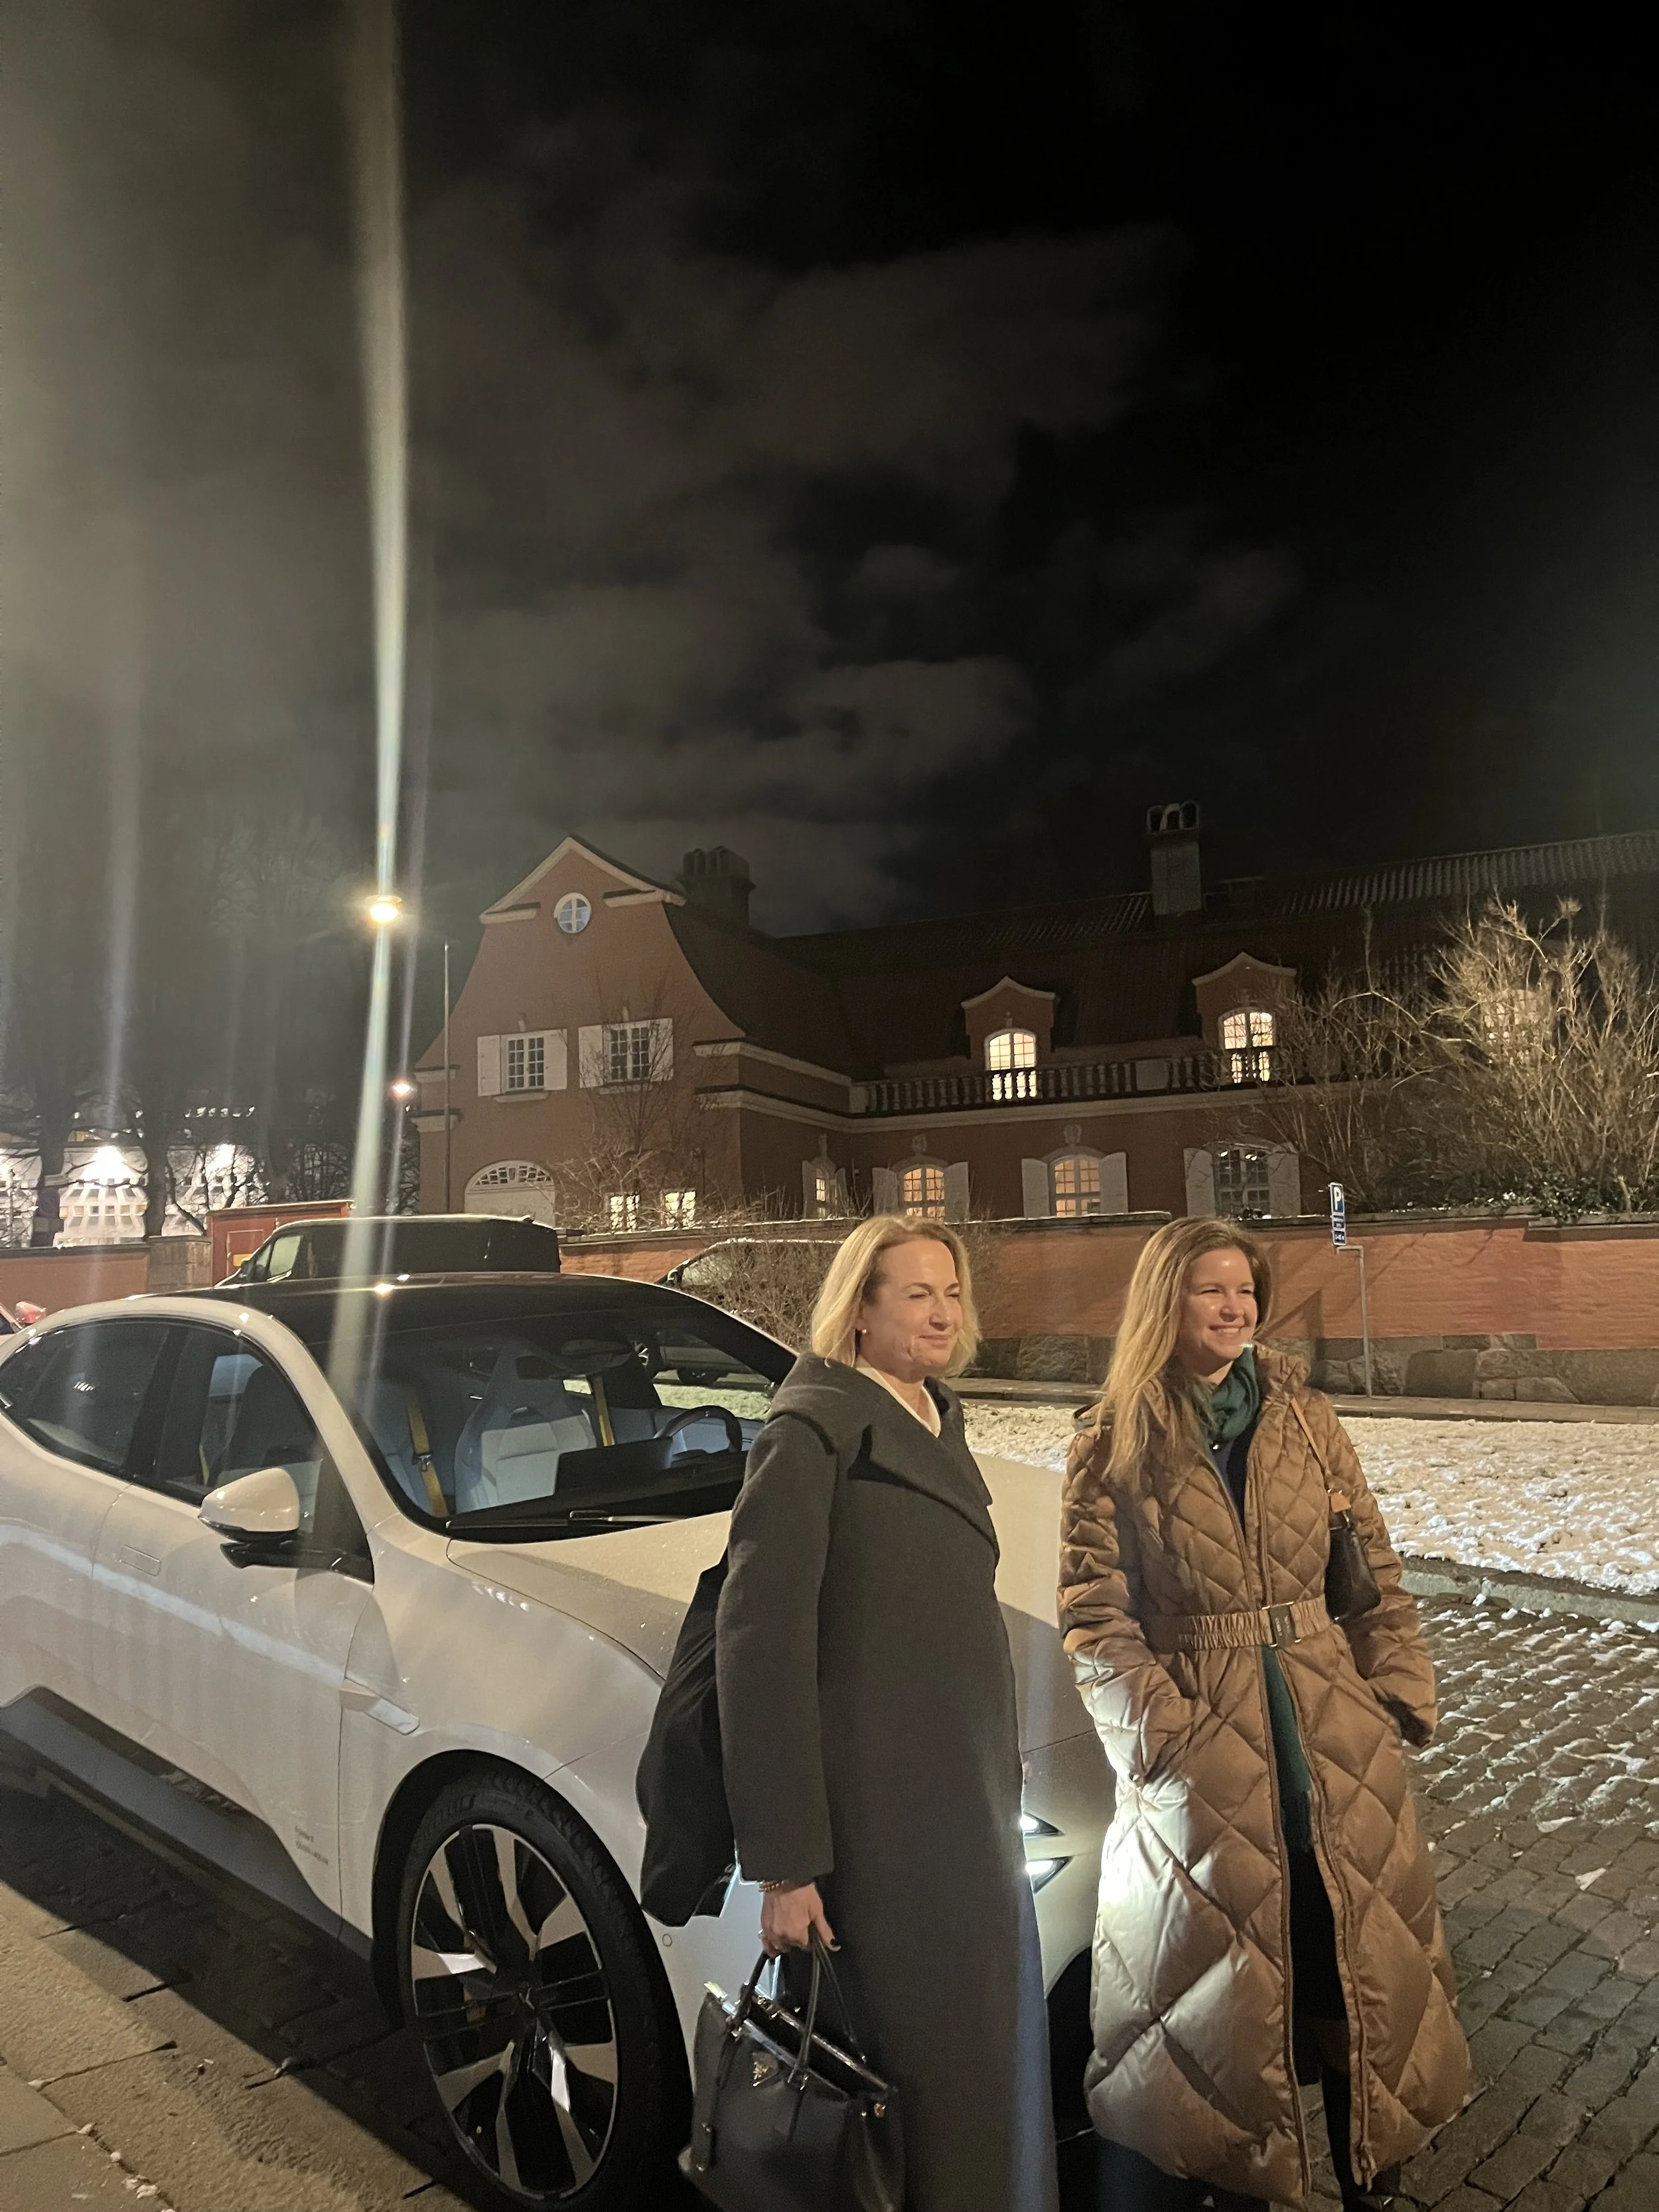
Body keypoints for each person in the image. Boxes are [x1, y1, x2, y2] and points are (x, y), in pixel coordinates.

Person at [1059, 1217, 1469, 2211]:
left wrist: (1399, 1688)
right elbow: (1093, 1615)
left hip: (1334, 1742)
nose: (1235, 1307)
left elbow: (1369, 1567)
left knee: (1358, 1973)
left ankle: (1373, 2171)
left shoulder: (1304, 1417)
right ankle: (1243, 2184)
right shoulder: (1114, 1435)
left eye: (1245, 1289)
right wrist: (1166, 1738)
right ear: (1167, 1299)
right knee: (1229, 2005)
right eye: (1212, 1289)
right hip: (1208, 1760)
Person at [717, 1215, 1058, 2212]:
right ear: (859, 1312)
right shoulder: (815, 1430)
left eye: (951, 1290)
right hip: (877, 1834)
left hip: (964, 1812)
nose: (943, 1310)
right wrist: (786, 1863)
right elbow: (760, 1645)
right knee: (906, 2093)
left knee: (979, 2068)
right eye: (916, 1293)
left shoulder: (930, 1415)